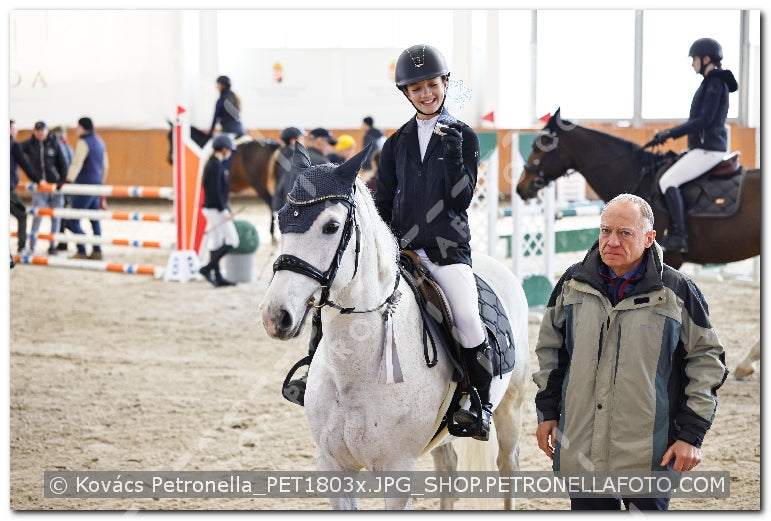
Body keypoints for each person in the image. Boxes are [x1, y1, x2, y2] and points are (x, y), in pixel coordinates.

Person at [533, 193, 728, 511]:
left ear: (649, 238)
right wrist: (547, 413)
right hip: (584, 449)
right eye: (605, 230)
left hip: (650, 454)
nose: (611, 241)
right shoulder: (572, 284)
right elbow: (550, 353)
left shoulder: (677, 292)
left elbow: (706, 361)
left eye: (624, 232)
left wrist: (691, 435)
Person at [374, 43, 490, 441]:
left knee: (468, 320)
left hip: (447, 251)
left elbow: (461, 199)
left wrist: (456, 152)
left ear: (445, 84)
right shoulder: (396, 143)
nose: (426, 93)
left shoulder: (465, 136)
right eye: (417, 88)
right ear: (406, 93)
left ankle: (480, 404)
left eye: (432, 85)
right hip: (404, 251)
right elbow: (384, 200)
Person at [647, 38, 738, 254]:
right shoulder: (711, 82)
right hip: (703, 147)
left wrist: (670, 133)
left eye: (694, 59)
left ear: (706, 59)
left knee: (668, 181)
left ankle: (679, 236)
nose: (692, 64)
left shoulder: (715, 82)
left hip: (709, 150)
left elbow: (704, 120)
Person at [64, 117, 109, 260]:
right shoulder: (100, 142)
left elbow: (77, 163)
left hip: (84, 185)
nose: (76, 129)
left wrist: (68, 180)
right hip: (97, 184)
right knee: (94, 219)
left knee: (73, 219)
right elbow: (106, 166)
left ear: (83, 127)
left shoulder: (83, 143)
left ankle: (81, 250)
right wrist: (101, 183)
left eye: (78, 126)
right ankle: (97, 250)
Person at [199, 134, 240, 288]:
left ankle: (217, 277)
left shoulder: (216, 164)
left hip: (212, 208)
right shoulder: (216, 165)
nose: (230, 153)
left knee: (216, 244)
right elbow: (215, 191)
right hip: (215, 209)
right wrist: (224, 211)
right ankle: (207, 268)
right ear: (224, 149)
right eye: (230, 150)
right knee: (233, 241)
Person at [22, 121, 68, 255]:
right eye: (37, 130)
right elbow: (17, 151)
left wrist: (62, 181)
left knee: (56, 217)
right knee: (37, 216)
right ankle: (31, 246)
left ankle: (52, 245)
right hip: (40, 187)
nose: (40, 133)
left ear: (47, 131)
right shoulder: (30, 144)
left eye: (42, 130)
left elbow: (63, 163)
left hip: (54, 187)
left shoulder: (56, 143)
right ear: (34, 131)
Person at [10, 119, 42, 258]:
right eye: (13, 128)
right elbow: (25, 165)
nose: (15, 130)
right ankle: (22, 247)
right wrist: (38, 180)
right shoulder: (13, 145)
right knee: (22, 215)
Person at [272, 126, 307, 215]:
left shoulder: (283, 153)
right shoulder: (293, 157)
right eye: (301, 138)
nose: (304, 141)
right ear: (293, 141)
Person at [51, 125, 75, 250]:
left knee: (62, 215)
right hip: (68, 185)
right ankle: (63, 241)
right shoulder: (68, 147)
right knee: (62, 215)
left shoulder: (62, 148)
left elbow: (66, 168)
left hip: (65, 186)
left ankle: (64, 241)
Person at [208, 75, 245, 140]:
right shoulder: (234, 97)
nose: (217, 87)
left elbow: (215, 118)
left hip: (229, 132)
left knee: (216, 143)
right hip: (241, 131)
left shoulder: (222, 100)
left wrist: (210, 133)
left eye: (218, 84)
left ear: (223, 86)